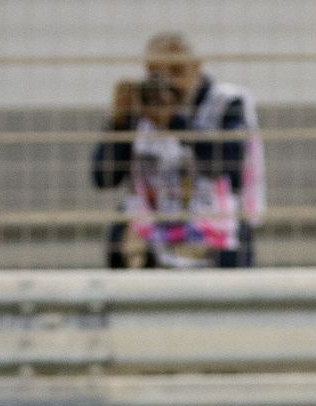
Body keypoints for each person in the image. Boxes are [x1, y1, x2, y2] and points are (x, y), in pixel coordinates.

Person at [91, 31, 264, 268]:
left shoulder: (226, 102)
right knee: (122, 231)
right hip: (151, 236)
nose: (168, 83)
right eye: (156, 73)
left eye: (176, 72)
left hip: (215, 236)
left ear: (196, 68)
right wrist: (119, 125)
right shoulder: (139, 106)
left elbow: (229, 167)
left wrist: (174, 122)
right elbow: (103, 178)